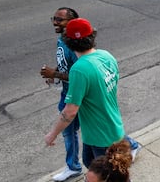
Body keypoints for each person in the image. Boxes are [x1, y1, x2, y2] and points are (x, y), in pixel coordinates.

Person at [44, 18, 137, 168]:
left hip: (101, 136)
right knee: (89, 162)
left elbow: (70, 111)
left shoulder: (80, 69)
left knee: (113, 181)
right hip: (111, 128)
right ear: (92, 36)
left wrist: (52, 134)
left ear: (68, 43)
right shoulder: (106, 56)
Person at [40, 7, 82, 182]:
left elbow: (80, 76)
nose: (55, 23)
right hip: (66, 91)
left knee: (96, 126)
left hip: (77, 95)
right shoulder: (61, 39)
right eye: (54, 19)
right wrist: (56, 72)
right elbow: (65, 63)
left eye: (60, 20)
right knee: (70, 130)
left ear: (71, 23)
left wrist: (54, 74)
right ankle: (73, 166)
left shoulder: (75, 45)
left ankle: (130, 145)